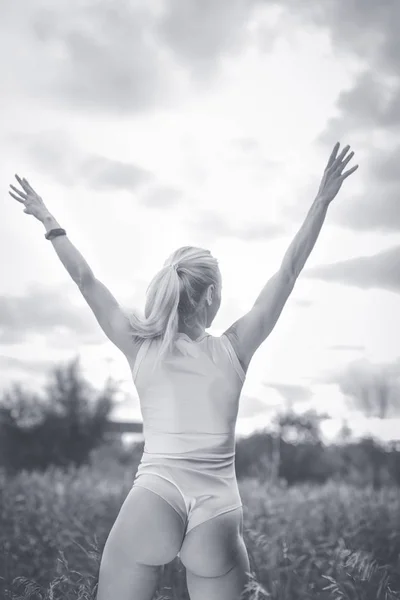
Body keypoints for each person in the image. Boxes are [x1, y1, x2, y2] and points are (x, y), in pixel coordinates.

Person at [8, 142, 358, 600]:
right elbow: (288, 272)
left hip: (156, 496)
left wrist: (49, 221)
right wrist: (321, 200)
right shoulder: (235, 348)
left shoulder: (141, 346)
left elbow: (86, 280)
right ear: (210, 295)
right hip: (219, 513)